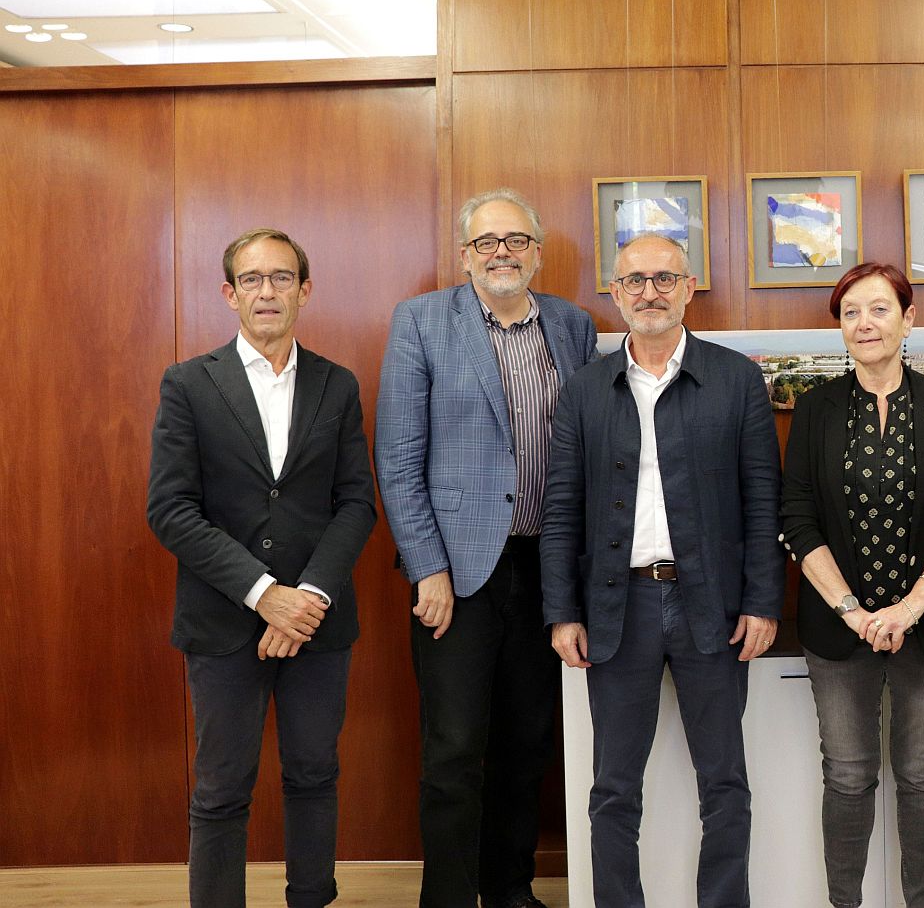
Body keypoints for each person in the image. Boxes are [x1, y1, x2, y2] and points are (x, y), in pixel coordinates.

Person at [540, 232, 785, 908]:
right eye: (635, 281)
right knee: (613, 789)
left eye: (664, 278)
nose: (650, 292)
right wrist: (561, 611)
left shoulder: (734, 380)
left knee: (725, 783)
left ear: (689, 287)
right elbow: (560, 508)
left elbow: (763, 502)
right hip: (617, 610)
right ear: (614, 294)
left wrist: (763, 602)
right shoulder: (585, 391)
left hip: (715, 606)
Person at [375, 188, 596, 908]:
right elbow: (399, 459)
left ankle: (509, 891)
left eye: (515, 240)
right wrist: (427, 568)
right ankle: (447, 897)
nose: (501, 252)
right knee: (453, 750)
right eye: (486, 241)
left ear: (536, 250)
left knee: (527, 745)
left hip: (546, 568)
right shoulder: (421, 322)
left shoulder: (570, 325)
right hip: (458, 574)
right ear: (464, 254)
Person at [146, 228, 376, 908]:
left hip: (316, 621)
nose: (267, 292)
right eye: (252, 279)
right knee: (221, 788)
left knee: (313, 773)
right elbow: (170, 509)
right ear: (230, 293)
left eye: (282, 278)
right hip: (222, 621)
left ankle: (312, 898)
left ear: (304, 291)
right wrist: (263, 594)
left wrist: (304, 598)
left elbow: (356, 503)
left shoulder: (337, 385)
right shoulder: (189, 383)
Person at [777, 262, 924, 908]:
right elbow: (796, 516)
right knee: (846, 776)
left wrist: (910, 606)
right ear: (839, 329)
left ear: (908, 319)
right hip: (839, 630)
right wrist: (849, 610)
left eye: (878, 309)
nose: (864, 324)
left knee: (922, 776)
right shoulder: (814, 409)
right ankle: (846, 904)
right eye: (850, 313)